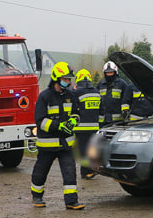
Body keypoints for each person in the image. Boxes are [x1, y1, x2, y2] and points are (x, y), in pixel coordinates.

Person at [31, 62, 85, 209]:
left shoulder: (71, 95)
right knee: (40, 172)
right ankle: (37, 196)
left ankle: (71, 201)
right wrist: (58, 126)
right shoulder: (45, 97)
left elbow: (77, 113)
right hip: (47, 144)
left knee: (70, 172)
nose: (68, 82)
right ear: (56, 78)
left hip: (66, 143)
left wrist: (73, 121)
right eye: (66, 79)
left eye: (69, 79)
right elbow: (40, 120)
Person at [71, 69, 102, 180]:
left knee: (83, 150)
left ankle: (86, 172)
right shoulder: (97, 92)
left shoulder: (77, 93)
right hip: (95, 127)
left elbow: (73, 109)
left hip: (81, 127)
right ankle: (91, 170)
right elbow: (102, 111)